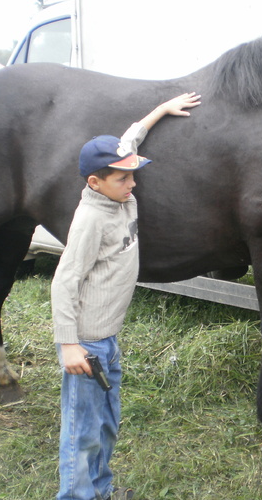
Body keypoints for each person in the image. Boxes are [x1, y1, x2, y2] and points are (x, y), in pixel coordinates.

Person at [51, 92, 201, 500]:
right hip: (87, 345)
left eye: (133, 175)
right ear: (94, 182)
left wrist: (162, 110)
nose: (133, 183)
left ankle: (100, 489)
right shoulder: (91, 220)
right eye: (124, 178)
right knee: (82, 429)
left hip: (108, 341)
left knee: (106, 422)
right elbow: (64, 281)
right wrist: (68, 344)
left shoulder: (117, 194)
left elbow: (130, 139)